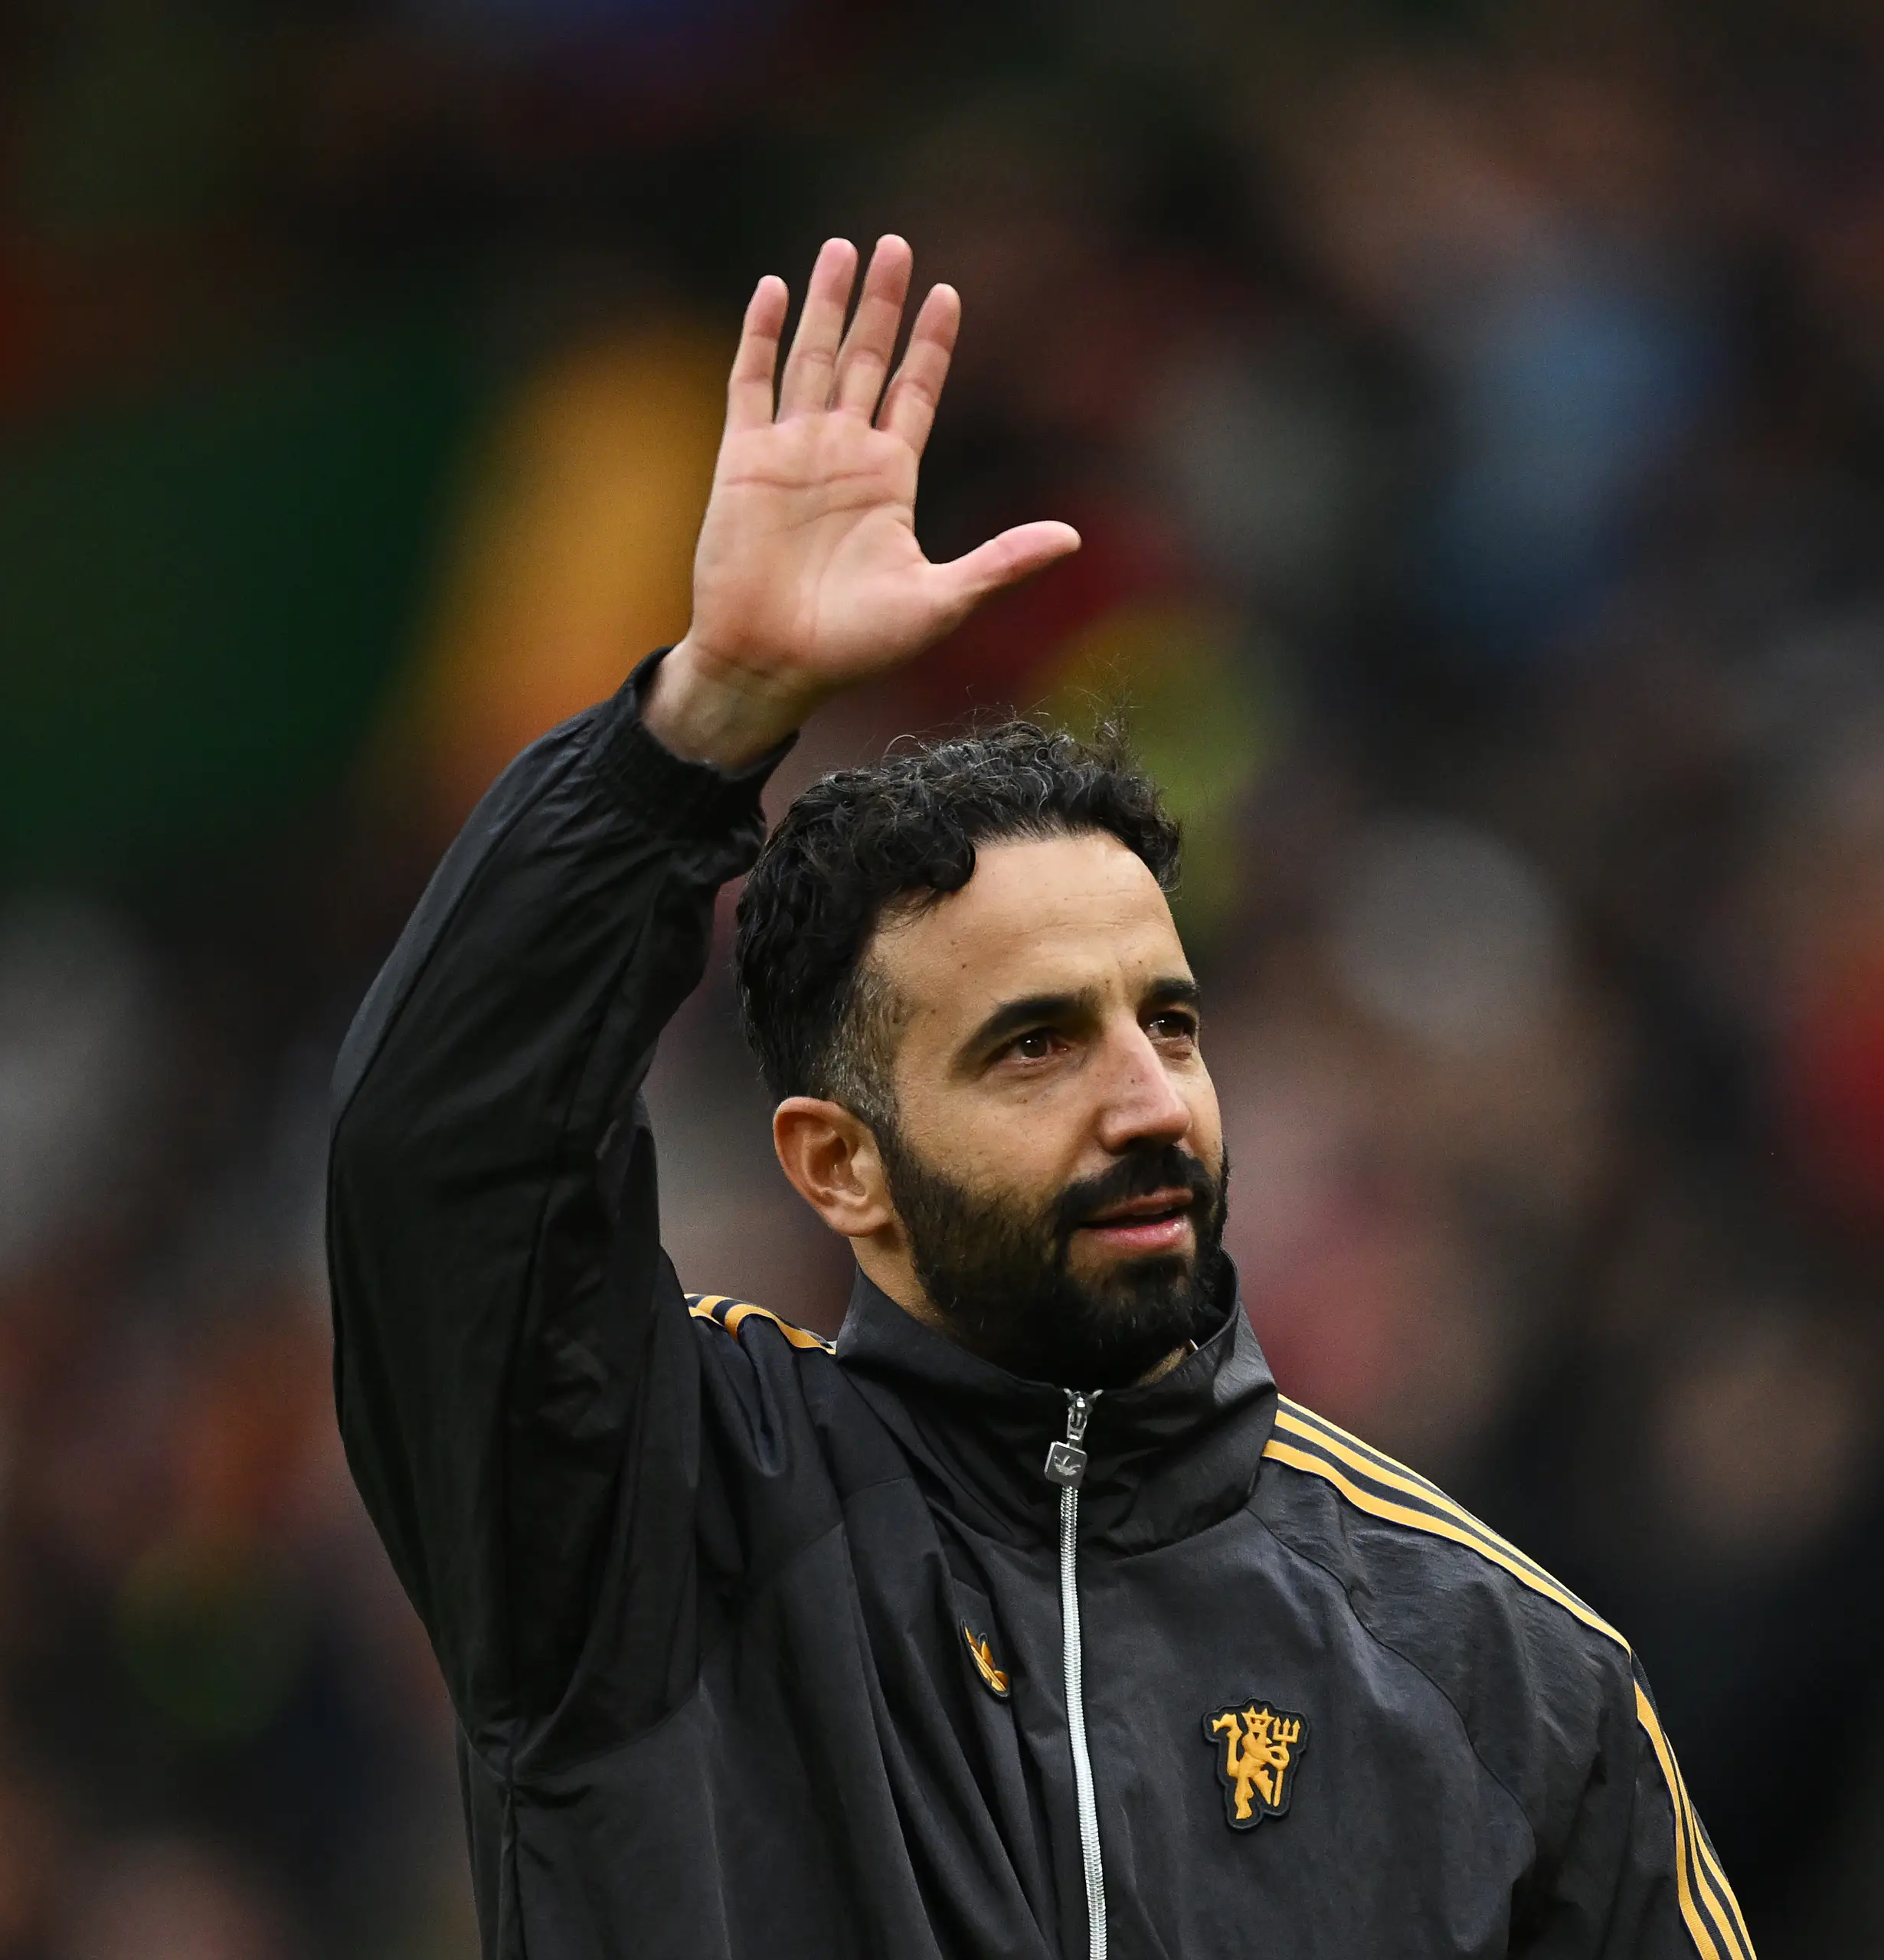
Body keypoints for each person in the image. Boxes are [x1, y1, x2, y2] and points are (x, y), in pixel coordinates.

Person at [328, 234, 1755, 1960]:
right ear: (838, 1165)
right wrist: (696, 727)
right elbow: (443, 1162)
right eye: (1034, 1045)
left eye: (1171, 1022)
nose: (1148, 1101)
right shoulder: (651, 1520)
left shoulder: (1505, 1675)